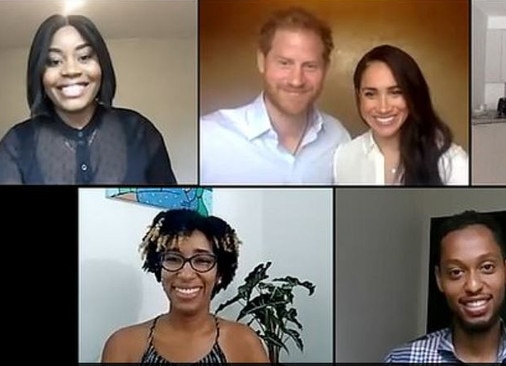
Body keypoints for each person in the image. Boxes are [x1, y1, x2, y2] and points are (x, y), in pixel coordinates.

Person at [0, 14, 177, 185]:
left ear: (102, 64)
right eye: (54, 61)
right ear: (39, 72)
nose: (71, 70)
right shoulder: (15, 145)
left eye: (84, 57)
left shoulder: (140, 131)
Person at [384, 210, 506, 363]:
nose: (473, 286)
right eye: (456, 272)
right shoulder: (403, 360)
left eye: (487, 267)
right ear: (439, 279)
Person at [200, 6, 350, 184]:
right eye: (285, 63)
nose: (296, 80)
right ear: (262, 62)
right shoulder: (208, 138)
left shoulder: (338, 137)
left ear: (325, 69)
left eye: (310, 66)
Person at [101, 208, 269, 363]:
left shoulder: (244, 343)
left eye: (202, 260)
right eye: (173, 259)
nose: (186, 274)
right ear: (159, 267)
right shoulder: (123, 345)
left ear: (220, 273)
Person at [333, 45, 468, 185]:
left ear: (413, 94)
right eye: (370, 94)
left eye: (396, 92)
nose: (383, 108)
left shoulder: (451, 161)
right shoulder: (344, 157)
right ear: (358, 96)